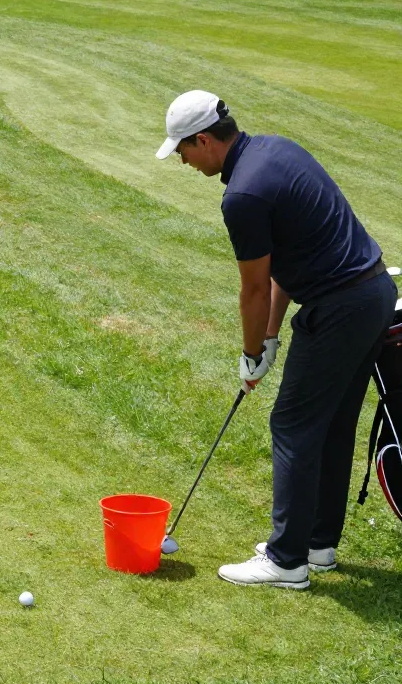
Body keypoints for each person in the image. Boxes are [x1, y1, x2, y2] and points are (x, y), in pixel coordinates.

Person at [155, 90, 397, 589]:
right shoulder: (276, 150)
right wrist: (268, 340)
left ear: (204, 140)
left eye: (182, 149)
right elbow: (286, 265)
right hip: (374, 293)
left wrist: (250, 354)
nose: (182, 160)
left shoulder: (242, 196)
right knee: (330, 424)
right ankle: (317, 545)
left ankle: (286, 561)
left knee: (292, 426)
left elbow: (252, 289)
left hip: (340, 309)